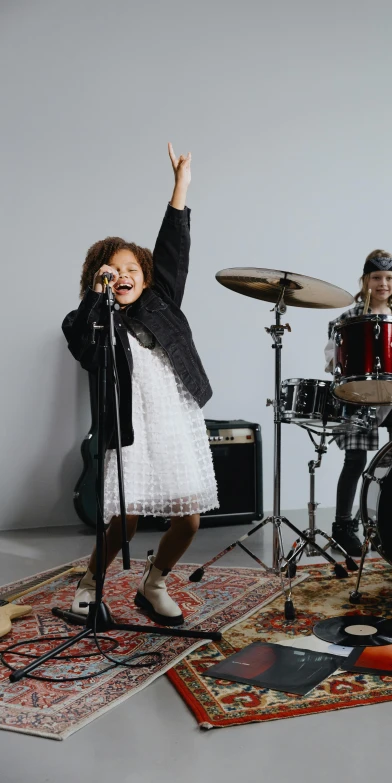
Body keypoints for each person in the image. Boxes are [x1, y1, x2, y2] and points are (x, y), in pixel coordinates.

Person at [62, 144, 218, 626]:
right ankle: (92, 582)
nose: (125, 276)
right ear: (99, 279)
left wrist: (180, 189)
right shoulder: (88, 319)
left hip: (174, 419)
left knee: (189, 517)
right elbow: (84, 346)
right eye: (115, 271)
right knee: (124, 518)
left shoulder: (163, 302)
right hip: (128, 426)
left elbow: (174, 248)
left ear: (147, 279)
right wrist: (97, 295)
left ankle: (153, 582)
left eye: (133, 270)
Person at [324, 250, 392, 556]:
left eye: (388, 278)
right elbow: (332, 359)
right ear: (365, 281)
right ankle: (343, 526)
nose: (382, 283)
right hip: (358, 396)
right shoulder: (347, 318)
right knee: (355, 461)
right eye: (376, 278)